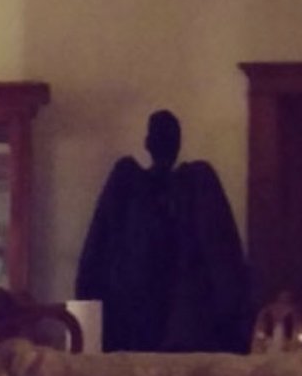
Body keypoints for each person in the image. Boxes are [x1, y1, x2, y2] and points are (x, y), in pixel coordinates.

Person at [75, 110, 253, 353]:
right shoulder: (130, 184)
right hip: (138, 318)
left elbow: (221, 262)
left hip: (177, 323)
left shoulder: (195, 186)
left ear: (147, 143)